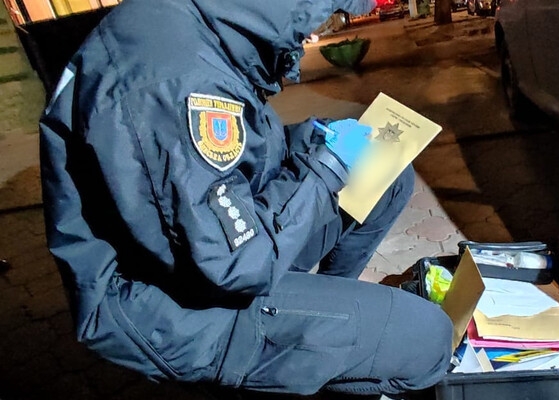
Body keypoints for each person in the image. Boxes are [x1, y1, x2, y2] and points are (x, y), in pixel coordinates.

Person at [39, 0, 453, 398]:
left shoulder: (198, 26)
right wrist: (324, 168)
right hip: (169, 308)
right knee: (426, 337)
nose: (314, 36)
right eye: (320, 17)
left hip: (219, 255)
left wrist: (311, 141)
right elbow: (235, 262)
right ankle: (307, 354)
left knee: (385, 173)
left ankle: (326, 329)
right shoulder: (170, 81)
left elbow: (234, 162)